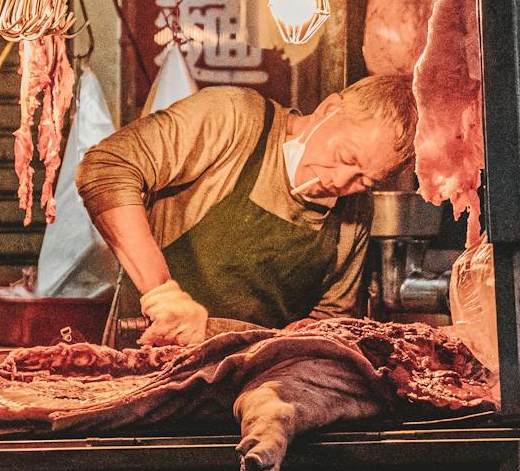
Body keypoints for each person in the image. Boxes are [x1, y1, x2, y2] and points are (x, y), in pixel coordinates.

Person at [76, 74, 418, 346]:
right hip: (147, 360)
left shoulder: (355, 211)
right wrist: (161, 292)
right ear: (330, 109)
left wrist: (300, 342)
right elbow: (106, 167)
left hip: (253, 389)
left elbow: (330, 318)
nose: (341, 180)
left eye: (364, 180)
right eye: (346, 157)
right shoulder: (234, 118)